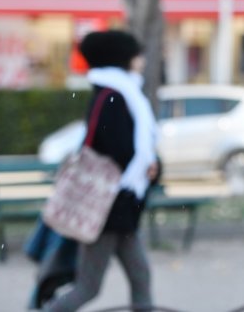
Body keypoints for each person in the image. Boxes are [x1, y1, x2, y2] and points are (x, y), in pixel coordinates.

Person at [44, 30, 159, 312]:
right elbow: (115, 148)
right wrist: (147, 166)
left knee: (140, 275)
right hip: (108, 206)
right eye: (136, 54)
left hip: (121, 206)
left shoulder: (121, 93)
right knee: (89, 287)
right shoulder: (112, 96)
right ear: (123, 58)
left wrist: (152, 166)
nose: (141, 60)